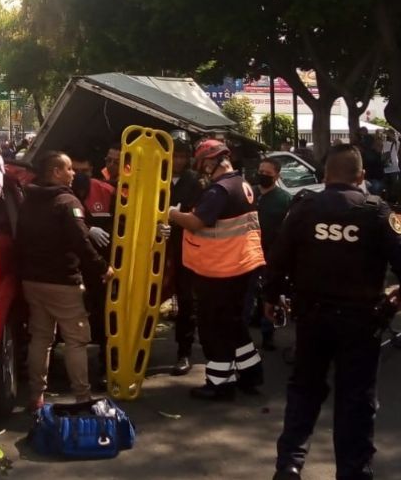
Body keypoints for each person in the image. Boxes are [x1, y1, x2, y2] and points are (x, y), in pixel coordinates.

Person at [265, 144, 401, 480]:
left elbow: (278, 259)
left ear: (324, 176)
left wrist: (270, 298)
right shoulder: (378, 211)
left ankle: (289, 466)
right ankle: (353, 472)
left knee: (304, 392)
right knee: (356, 401)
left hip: (312, 318)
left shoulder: (304, 208)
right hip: (362, 323)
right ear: (362, 176)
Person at [16, 152, 114, 411]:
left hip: (32, 280)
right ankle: (82, 396)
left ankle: (36, 397)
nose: (74, 174)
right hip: (63, 281)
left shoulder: (27, 200)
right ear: (56, 172)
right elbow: (81, 241)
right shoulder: (67, 201)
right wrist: (103, 268)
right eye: (69, 168)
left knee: (41, 338)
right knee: (76, 339)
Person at [168, 140, 266, 400]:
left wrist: (172, 214)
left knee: (213, 327)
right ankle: (251, 372)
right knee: (234, 325)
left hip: (221, 270)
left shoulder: (218, 191)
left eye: (203, 167)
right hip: (243, 264)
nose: (203, 172)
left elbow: (198, 222)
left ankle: (220, 384)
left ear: (211, 162)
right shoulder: (243, 185)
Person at [70, 155, 117, 389]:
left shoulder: (106, 192)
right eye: (73, 169)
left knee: (107, 317)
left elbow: (125, 224)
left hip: (102, 268)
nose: (76, 174)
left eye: (83, 169)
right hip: (71, 270)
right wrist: (88, 228)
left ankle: (108, 365)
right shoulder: (61, 194)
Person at [166, 139, 204, 376]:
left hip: (185, 246)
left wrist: (178, 220)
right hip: (156, 244)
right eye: (174, 156)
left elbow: (199, 217)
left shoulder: (197, 182)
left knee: (187, 301)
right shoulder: (155, 177)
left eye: (182, 156)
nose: (178, 161)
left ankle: (184, 352)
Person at [247, 158, 293, 351]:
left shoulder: (284, 198)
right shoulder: (250, 194)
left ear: (277, 176)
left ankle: (268, 335)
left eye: (267, 173)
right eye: (261, 171)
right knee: (248, 293)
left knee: (269, 294)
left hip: (271, 254)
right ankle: (246, 333)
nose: (263, 175)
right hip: (247, 252)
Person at [382, 130, 399, 202]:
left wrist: (386, 132)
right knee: (393, 186)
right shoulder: (396, 143)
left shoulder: (383, 143)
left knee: (388, 186)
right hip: (393, 167)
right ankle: (391, 200)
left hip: (386, 167)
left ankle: (388, 200)